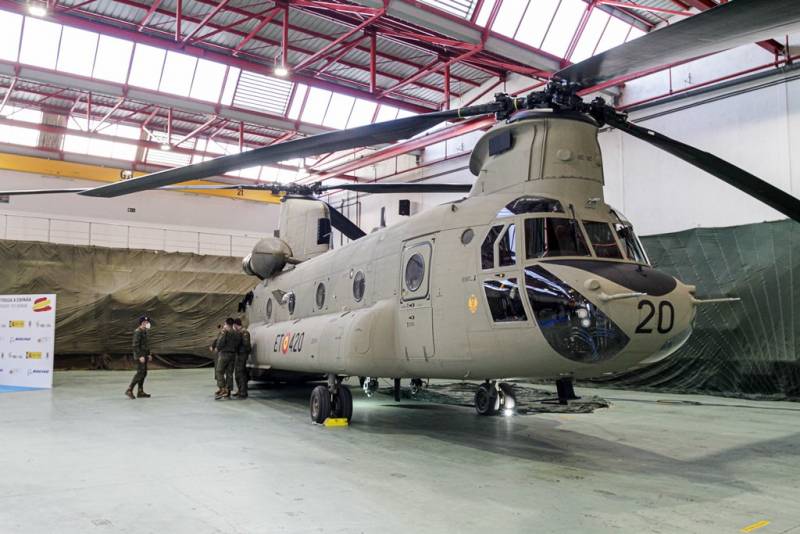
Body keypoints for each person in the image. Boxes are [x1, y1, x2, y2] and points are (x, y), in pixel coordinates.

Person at [126, 316, 153, 399]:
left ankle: (140, 391)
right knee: (140, 373)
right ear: (141, 323)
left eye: (147, 322)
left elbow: (145, 344)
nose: (146, 323)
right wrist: (140, 356)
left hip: (144, 355)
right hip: (140, 356)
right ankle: (129, 390)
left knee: (144, 373)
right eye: (144, 322)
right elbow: (135, 345)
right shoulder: (138, 332)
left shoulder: (145, 331)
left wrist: (148, 354)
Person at [214, 318, 240, 400]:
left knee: (219, 371)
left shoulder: (225, 332)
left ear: (226, 323)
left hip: (224, 354)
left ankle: (222, 389)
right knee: (229, 373)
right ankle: (228, 391)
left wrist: (217, 348)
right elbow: (238, 343)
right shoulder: (236, 333)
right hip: (233, 355)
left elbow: (221, 342)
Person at [232, 318, 251, 399]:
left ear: (236, 325)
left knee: (241, 373)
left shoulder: (244, 332)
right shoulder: (239, 332)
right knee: (237, 373)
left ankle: (243, 392)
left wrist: (244, 351)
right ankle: (240, 390)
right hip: (239, 354)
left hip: (242, 355)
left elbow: (246, 344)